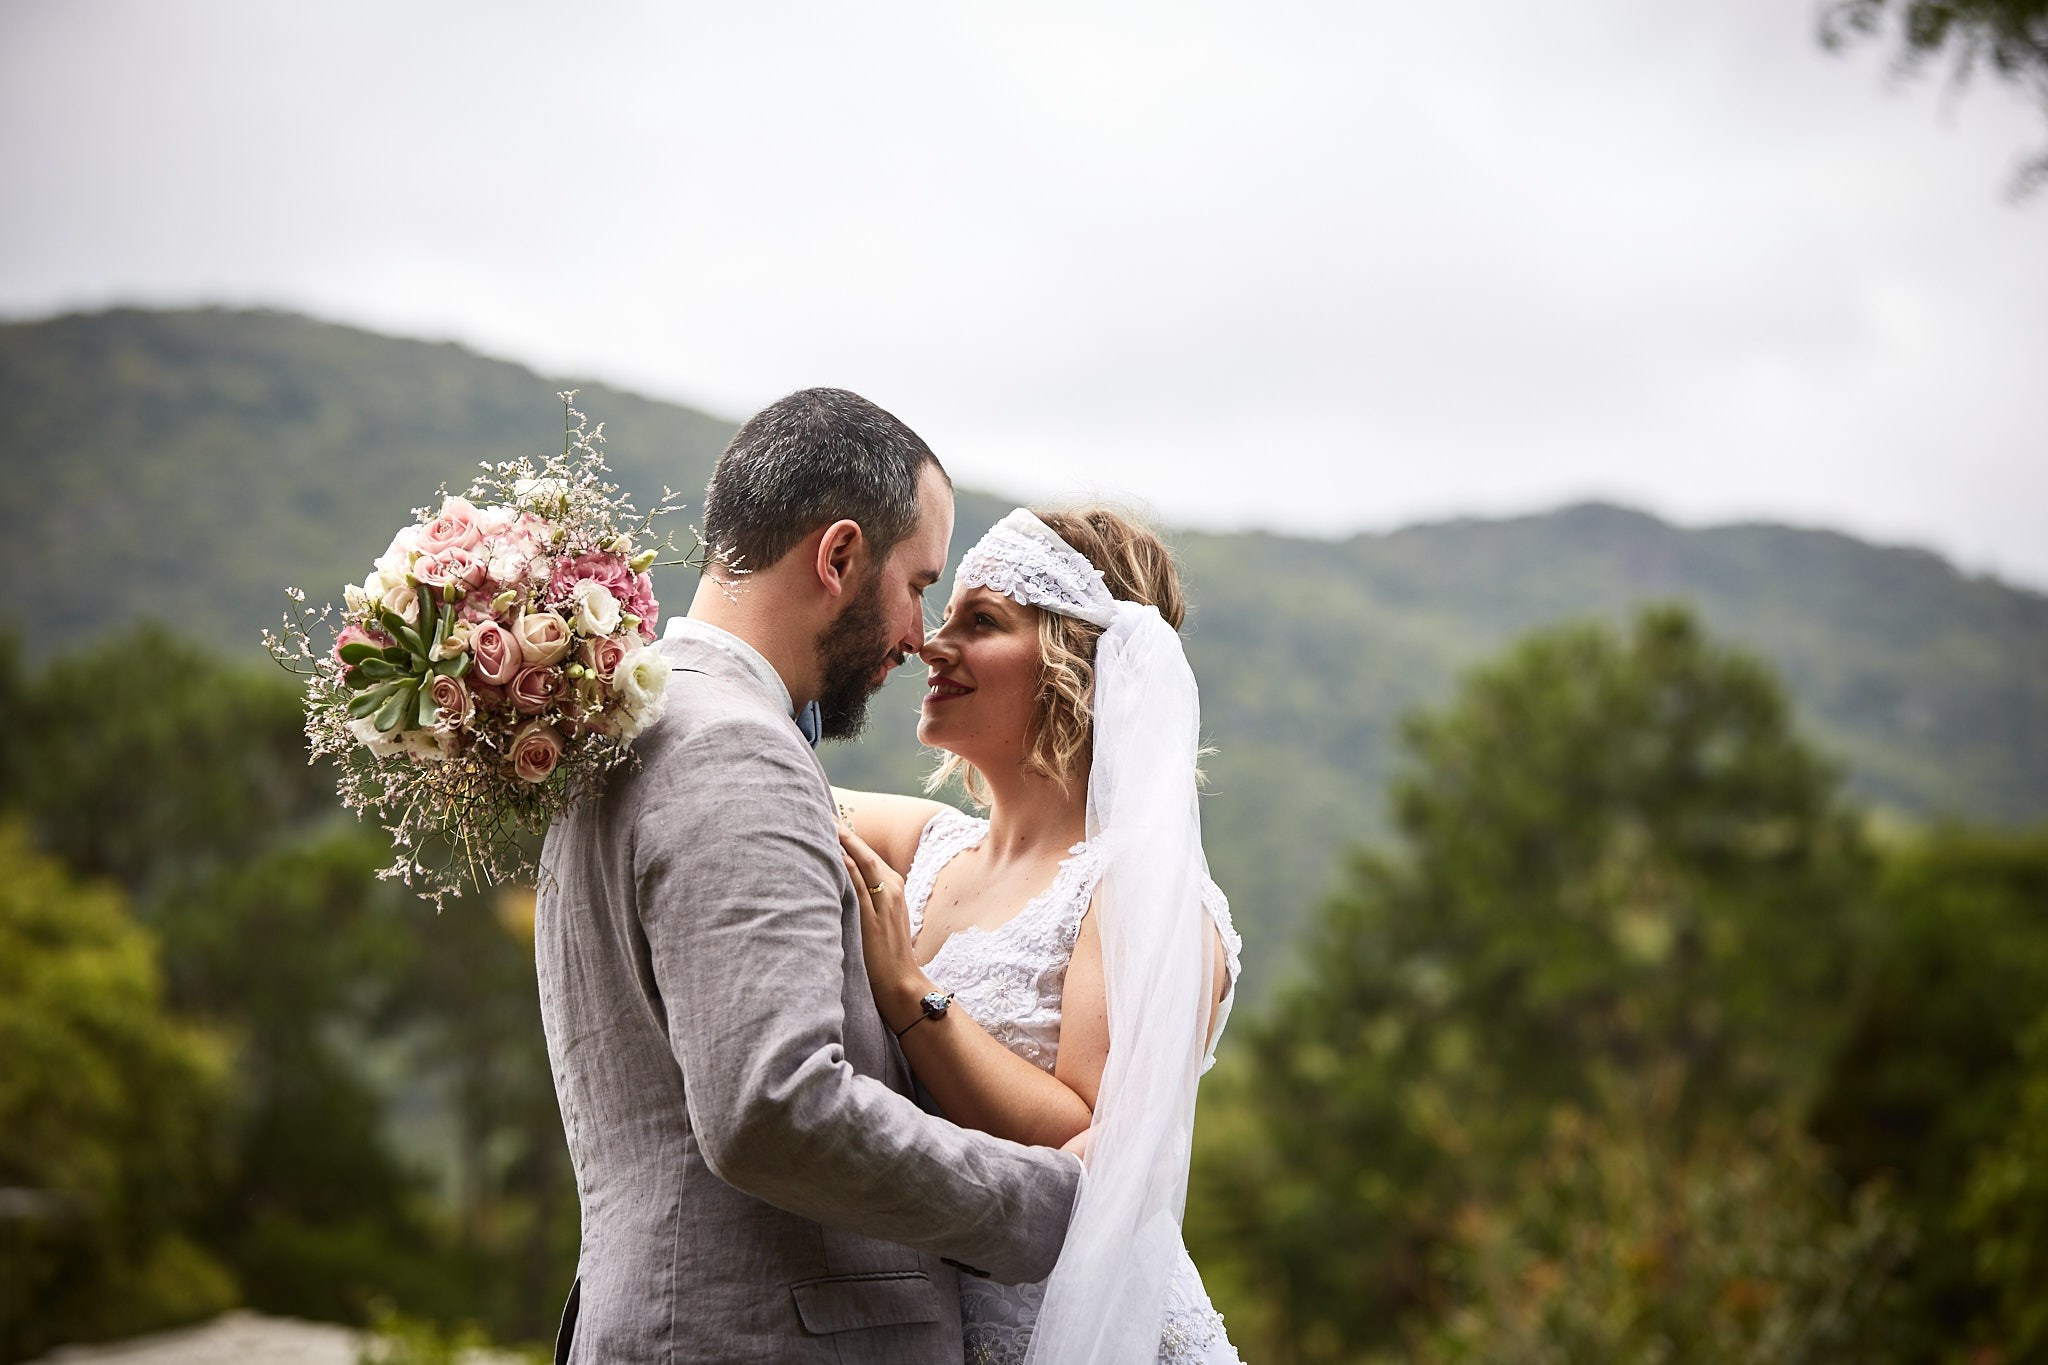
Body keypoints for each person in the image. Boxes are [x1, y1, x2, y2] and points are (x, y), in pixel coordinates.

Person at [534, 391, 1082, 1365]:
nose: (919, 636)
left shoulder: (623, 724)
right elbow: (772, 1107)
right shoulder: (734, 751)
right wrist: (1049, 1206)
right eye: (917, 583)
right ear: (837, 558)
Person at [836, 505, 1244, 1364]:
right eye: (940, 614)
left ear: (1079, 666)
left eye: (980, 622)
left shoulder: (1141, 888)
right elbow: (757, 767)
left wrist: (911, 994)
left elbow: (1086, 1138)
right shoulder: (926, 845)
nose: (929, 645)